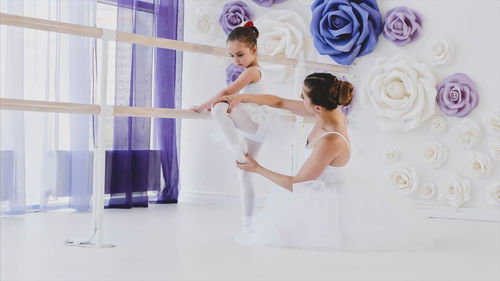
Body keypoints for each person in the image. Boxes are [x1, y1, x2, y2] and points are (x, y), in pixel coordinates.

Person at [213, 72, 430, 251]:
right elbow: (279, 102)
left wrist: (257, 168)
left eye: (303, 96)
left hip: (319, 195)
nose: (300, 98)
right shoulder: (327, 110)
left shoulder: (330, 140)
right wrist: (241, 98)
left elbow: (297, 185)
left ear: (317, 107)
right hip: (310, 182)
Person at [191, 21, 285, 232]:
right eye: (231, 56)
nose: (236, 61)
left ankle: (237, 150)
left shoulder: (252, 72)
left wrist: (201, 106)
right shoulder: (250, 70)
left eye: (240, 55)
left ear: (254, 50)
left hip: (256, 122)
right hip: (253, 126)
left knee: (218, 108)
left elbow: (227, 92)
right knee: (244, 175)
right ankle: (247, 223)